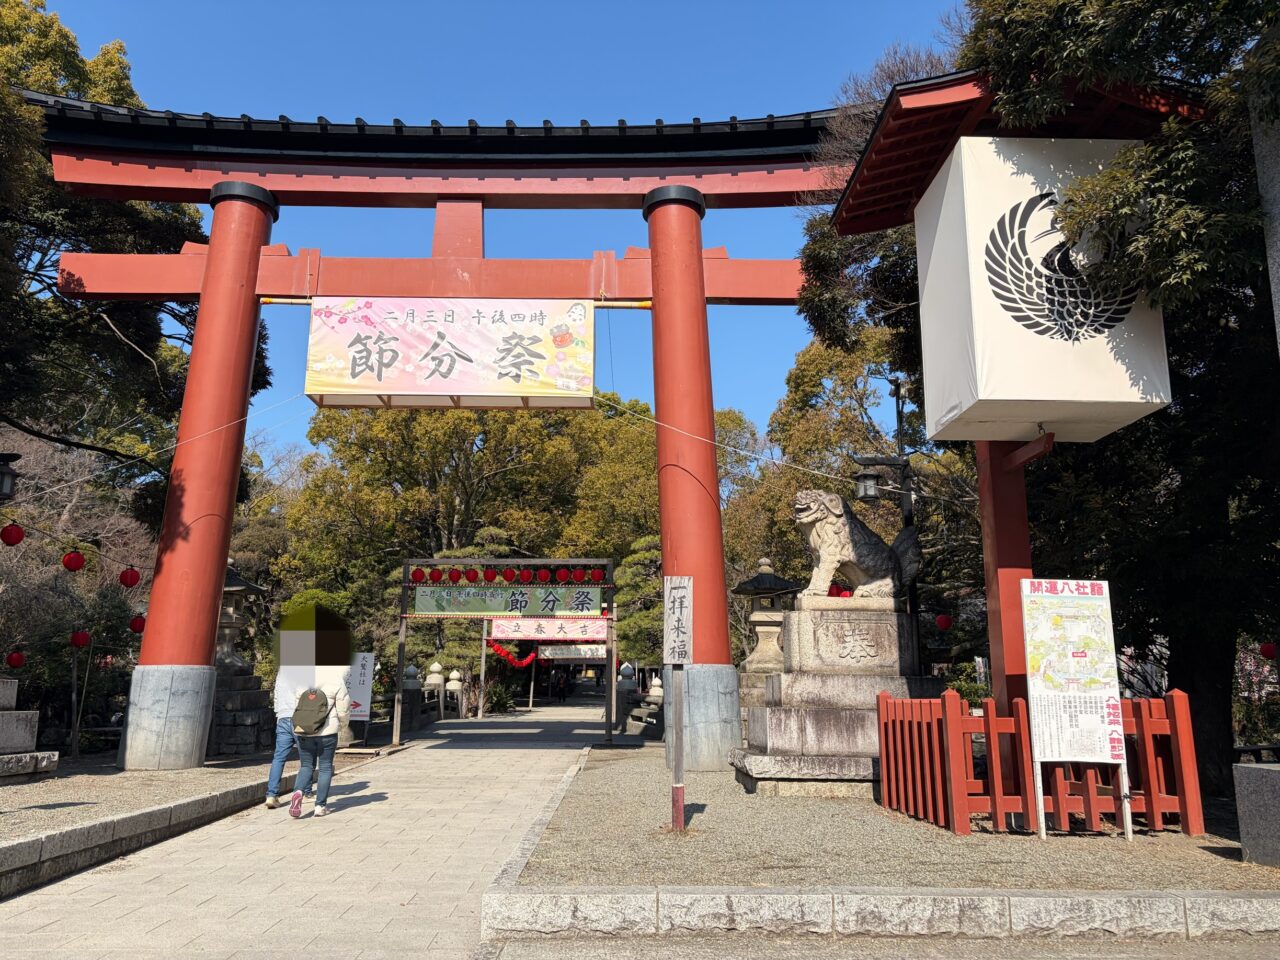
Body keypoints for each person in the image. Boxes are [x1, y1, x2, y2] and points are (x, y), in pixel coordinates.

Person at [289, 662, 351, 819]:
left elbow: (297, 706)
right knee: (324, 768)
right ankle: (320, 806)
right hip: (327, 732)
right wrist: (342, 725)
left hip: (304, 731)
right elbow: (344, 709)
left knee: (306, 766)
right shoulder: (336, 680)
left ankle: (298, 792)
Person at [264, 663, 306, 809]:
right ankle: (302, 791)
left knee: (279, 757)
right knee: (306, 757)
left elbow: (277, 692)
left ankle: (271, 795)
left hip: (282, 716)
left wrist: (278, 713)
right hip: (299, 717)